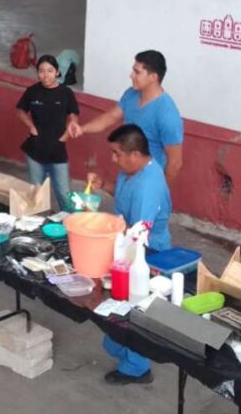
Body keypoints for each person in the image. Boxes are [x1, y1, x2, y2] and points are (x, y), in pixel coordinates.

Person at [87, 124, 171, 385]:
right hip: (125, 243)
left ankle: (137, 368)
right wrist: (103, 186)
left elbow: (138, 233)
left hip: (146, 252)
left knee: (134, 310)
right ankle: (127, 352)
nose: (113, 159)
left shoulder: (149, 186)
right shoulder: (133, 169)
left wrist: (101, 229)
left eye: (116, 153)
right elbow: (124, 194)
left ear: (135, 154)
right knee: (119, 310)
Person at [68, 50, 183, 187]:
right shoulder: (131, 94)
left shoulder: (167, 114)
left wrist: (159, 191)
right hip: (126, 172)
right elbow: (110, 117)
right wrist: (82, 128)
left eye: (137, 72)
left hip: (148, 181)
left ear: (153, 77)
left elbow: (175, 163)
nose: (131, 75)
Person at [15, 54, 79, 211]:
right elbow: (20, 110)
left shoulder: (66, 93)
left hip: (58, 149)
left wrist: (69, 131)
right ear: (37, 73)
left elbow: (73, 115)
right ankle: (38, 225)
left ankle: (69, 226)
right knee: (37, 193)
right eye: (41, 71)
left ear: (57, 72)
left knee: (64, 194)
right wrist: (30, 125)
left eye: (50, 70)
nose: (46, 75)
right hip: (35, 150)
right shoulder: (32, 91)